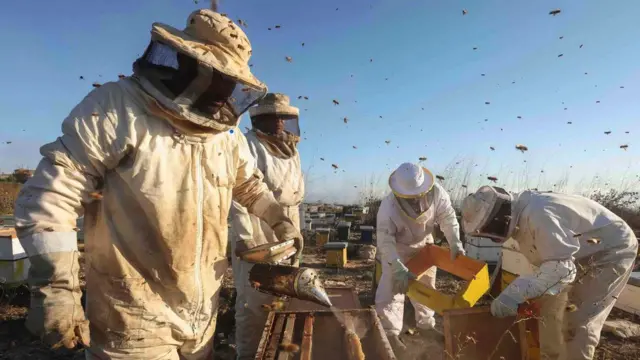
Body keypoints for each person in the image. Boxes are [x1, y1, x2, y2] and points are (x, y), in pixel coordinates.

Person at [13, 5, 303, 360]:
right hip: (132, 313)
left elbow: (249, 186)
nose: (225, 91)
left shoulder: (227, 137)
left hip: (203, 308)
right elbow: (50, 195)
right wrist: (57, 288)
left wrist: (278, 217)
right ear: (191, 67)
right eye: (220, 79)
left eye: (232, 83)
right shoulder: (117, 108)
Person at [461, 186, 638, 360]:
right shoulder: (523, 215)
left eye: (487, 228)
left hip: (609, 250)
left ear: (499, 217)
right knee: (548, 313)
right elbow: (551, 263)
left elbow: (562, 271)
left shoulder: (540, 216)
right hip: (574, 253)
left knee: (577, 322)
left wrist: (515, 293)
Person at [229, 93, 305, 359]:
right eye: (276, 118)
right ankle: (249, 354)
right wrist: (244, 237)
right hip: (256, 224)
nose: (281, 125)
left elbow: (294, 197)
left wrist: (294, 228)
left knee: (285, 290)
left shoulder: (291, 151)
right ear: (261, 119)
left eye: (285, 119)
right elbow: (238, 193)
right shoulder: (248, 145)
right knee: (253, 298)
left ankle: (277, 350)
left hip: (287, 222)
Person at [375, 162, 465, 352]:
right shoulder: (388, 207)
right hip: (397, 251)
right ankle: (390, 334)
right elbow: (385, 241)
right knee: (391, 289)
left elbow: (448, 218)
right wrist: (397, 267)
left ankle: (426, 326)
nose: (415, 202)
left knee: (425, 286)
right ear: (399, 194)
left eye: (418, 196)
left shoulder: (438, 193)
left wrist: (455, 241)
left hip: (424, 246)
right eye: (410, 198)